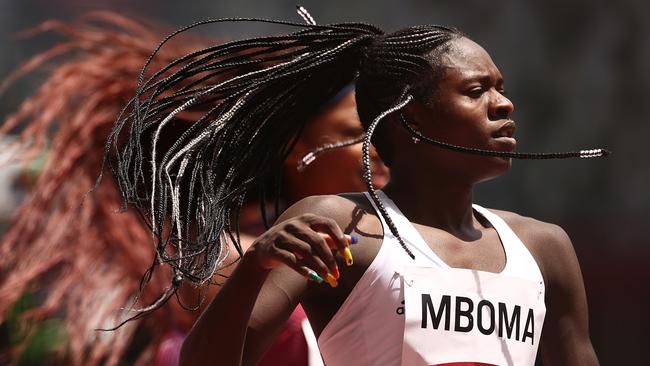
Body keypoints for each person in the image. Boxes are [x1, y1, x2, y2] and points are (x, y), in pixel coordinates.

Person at [105, 13, 609, 366]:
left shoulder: (543, 248)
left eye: (501, 87)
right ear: (409, 120)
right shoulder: (342, 223)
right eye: (476, 91)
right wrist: (254, 267)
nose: (504, 105)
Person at [0, 12, 388, 366]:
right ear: (294, 147)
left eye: (388, 133)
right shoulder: (234, 258)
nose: (380, 150)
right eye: (357, 133)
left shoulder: (406, 245)